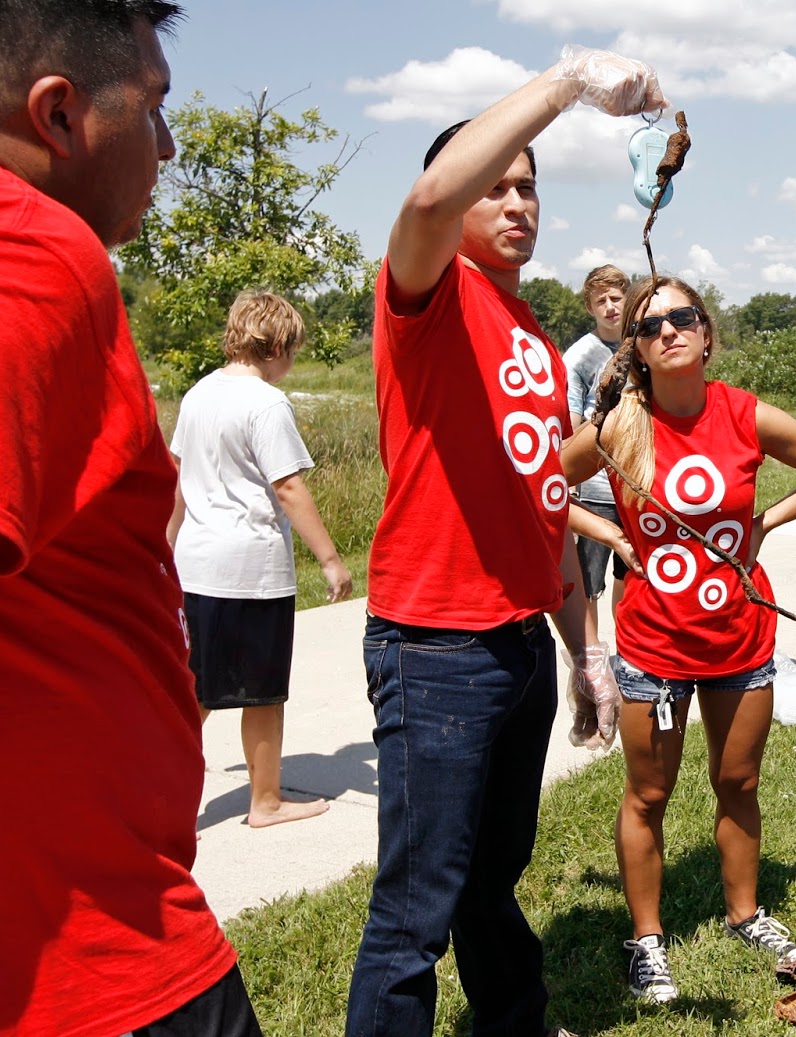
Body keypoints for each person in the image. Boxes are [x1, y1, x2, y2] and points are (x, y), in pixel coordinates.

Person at [344, 48, 664, 1037]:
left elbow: (538, 501)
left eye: (529, 187)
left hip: (517, 641)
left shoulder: (523, 330)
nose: (517, 199)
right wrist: (566, 82)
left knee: (489, 882)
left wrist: (584, 649)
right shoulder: (429, 296)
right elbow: (434, 193)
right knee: (415, 910)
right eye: (499, 182)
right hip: (435, 645)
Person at [0, 1, 263, 1034]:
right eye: (150, 107)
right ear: (58, 114)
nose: (169, 144)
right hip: (87, 950)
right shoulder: (31, 250)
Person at [562, 276, 796, 1003]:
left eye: (682, 316)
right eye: (650, 323)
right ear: (634, 345)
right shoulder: (621, 427)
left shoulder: (744, 413)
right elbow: (537, 484)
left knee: (739, 783)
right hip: (654, 644)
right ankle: (647, 939)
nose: (669, 330)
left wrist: (765, 523)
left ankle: (744, 913)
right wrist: (606, 532)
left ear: (707, 331)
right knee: (647, 794)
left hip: (740, 635)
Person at [168, 289, 353, 828]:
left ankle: (159, 800)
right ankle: (265, 802)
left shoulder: (199, 393)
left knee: (194, 693)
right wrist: (330, 558)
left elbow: (177, 481)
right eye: (292, 349)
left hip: (196, 565)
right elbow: (289, 486)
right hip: (252, 570)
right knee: (264, 694)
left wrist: (166, 542)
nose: (292, 362)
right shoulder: (267, 403)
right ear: (274, 344)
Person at [562, 263, 637, 662]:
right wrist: (570, 482)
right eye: (601, 301)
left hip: (639, 484)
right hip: (595, 489)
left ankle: (629, 654)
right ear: (590, 307)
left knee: (632, 575)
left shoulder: (643, 343)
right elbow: (571, 425)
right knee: (589, 581)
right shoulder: (579, 356)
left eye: (616, 298)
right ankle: (589, 659)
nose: (610, 307)